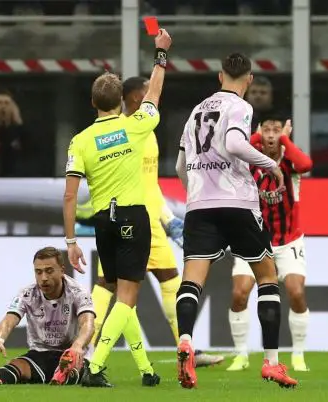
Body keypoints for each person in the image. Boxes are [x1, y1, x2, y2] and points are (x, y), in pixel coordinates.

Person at [174, 53, 298, 389]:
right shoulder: (240, 107)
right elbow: (233, 143)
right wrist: (269, 165)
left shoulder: (196, 112)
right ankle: (272, 363)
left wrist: (196, 194)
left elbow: (178, 168)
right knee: (268, 276)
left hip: (199, 205)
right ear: (250, 78)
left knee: (192, 281)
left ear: (219, 76)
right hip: (237, 203)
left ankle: (185, 340)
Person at [87, 76, 224, 368]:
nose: (149, 96)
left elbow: (149, 184)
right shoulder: (129, 131)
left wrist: (169, 218)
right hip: (134, 218)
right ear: (134, 98)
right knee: (108, 285)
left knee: (169, 280)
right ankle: (84, 349)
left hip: (146, 218)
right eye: (144, 93)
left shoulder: (146, 131)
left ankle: (186, 348)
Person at [62, 29, 172, 387]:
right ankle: (93, 366)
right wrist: (160, 54)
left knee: (120, 292)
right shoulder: (135, 125)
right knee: (127, 296)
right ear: (123, 102)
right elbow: (154, 92)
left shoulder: (80, 141)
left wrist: (70, 240)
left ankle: (145, 369)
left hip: (101, 223)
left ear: (93, 104)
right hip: (132, 217)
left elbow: (68, 196)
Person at [226, 117, 313, 373]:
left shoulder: (290, 162)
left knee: (296, 292)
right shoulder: (250, 158)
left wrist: (286, 138)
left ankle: (298, 354)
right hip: (253, 238)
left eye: (277, 130)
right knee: (239, 293)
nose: (272, 135)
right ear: (259, 133)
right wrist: (254, 139)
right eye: (267, 130)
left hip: (288, 241)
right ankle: (241, 355)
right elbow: (234, 150)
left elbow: (307, 164)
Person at [0, 247, 96, 386]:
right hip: (40, 353)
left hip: (72, 354)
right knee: (18, 365)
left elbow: (88, 324)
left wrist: (77, 346)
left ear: (62, 270)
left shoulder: (78, 292)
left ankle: (65, 374)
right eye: (38, 272)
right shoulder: (28, 294)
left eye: (49, 271)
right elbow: (9, 320)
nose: (44, 278)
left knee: (75, 367)